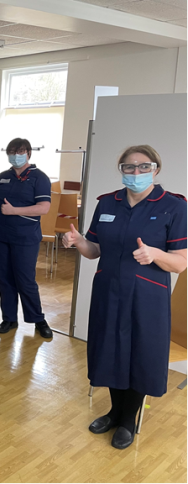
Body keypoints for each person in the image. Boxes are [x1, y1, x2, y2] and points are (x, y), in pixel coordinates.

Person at [63, 145, 188, 450]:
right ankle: (114, 411)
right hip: (108, 292)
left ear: (156, 169)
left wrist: (155, 253)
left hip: (147, 298)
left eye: (143, 167)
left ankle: (128, 420)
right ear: (121, 170)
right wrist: (79, 242)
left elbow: (182, 262)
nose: (135, 173)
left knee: (139, 356)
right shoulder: (107, 203)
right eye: (128, 167)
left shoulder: (174, 206)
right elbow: (94, 251)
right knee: (110, 351)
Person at [0, 138, 53, 339]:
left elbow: (44, 208)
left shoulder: (40, 178)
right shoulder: (4, 176)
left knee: (25, 279)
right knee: (4, 278)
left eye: (19, 152)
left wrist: (14, 211)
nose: (15, 155)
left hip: (25, 237)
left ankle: (38, 320)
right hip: (0, 235)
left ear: (28, 153)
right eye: (11, 152)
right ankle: (9, 318)